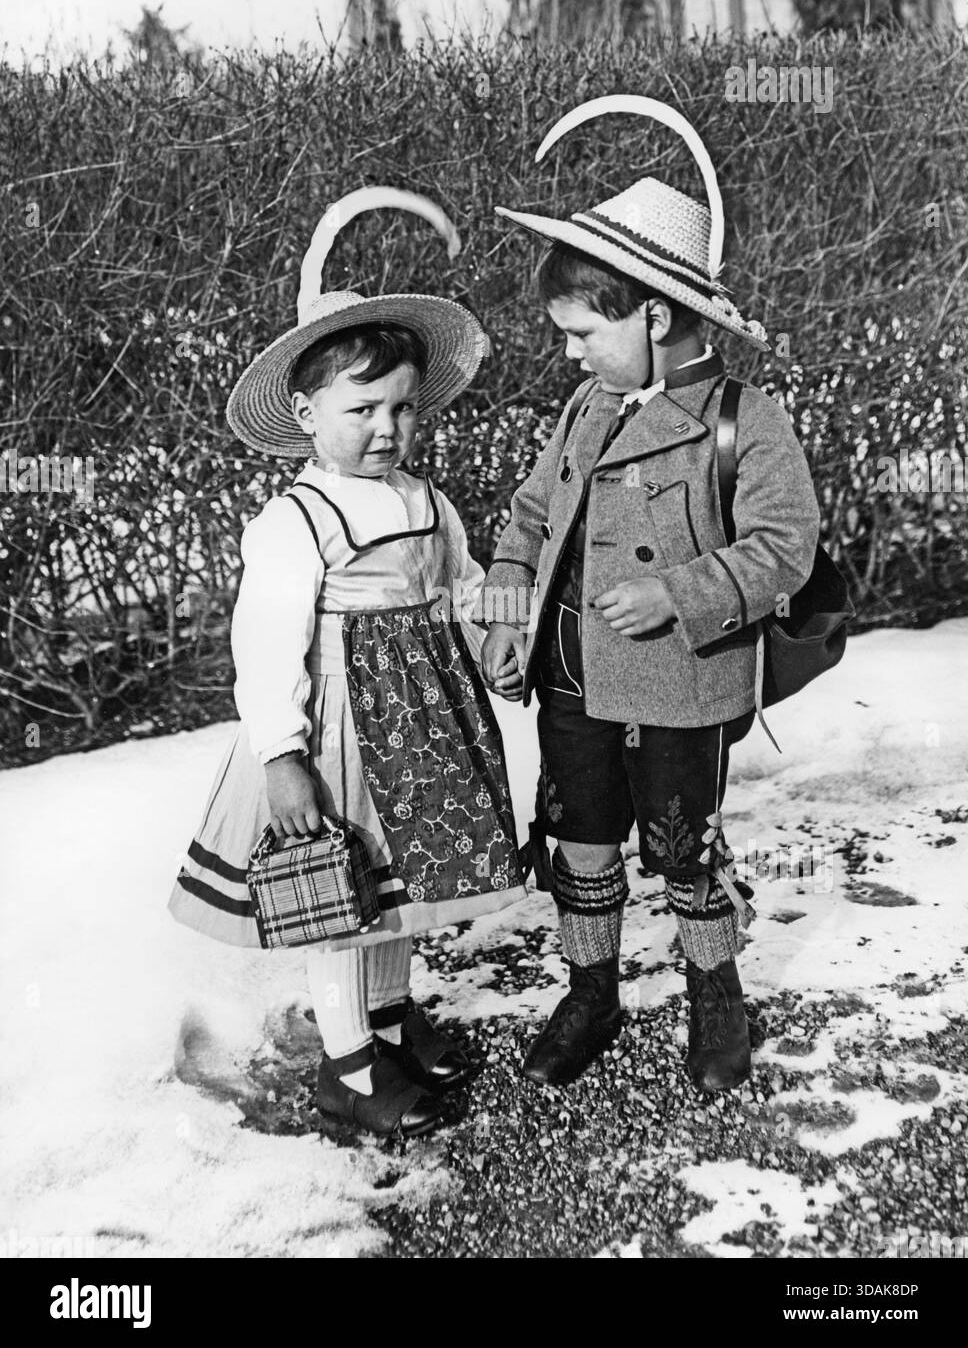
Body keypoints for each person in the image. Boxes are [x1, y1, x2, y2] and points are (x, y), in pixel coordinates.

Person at [170, 191, 527, 1139]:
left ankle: (386, 1019)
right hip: (338, 733)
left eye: (404, 409)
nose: (386, 429)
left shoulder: (425, 500)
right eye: (361, 408)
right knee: (342, 898)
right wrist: (283, 754)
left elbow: (468, 580)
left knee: (400, 892)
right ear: (306, 411)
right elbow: (264, 644)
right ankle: (349, 1068)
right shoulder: (298, 520)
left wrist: (501, 620)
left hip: (425, 723)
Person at [481, 99, 821, 1093]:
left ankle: (715, 992)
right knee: (580, 841)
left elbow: (782, 548)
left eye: (585, 332)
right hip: (574, 684)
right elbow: (530, 517)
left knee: (684, 849)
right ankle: (590, 989)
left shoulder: (742, 422)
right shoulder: (583, 411)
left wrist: (679, 592)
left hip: (678, 690)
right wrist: (508, 594)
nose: (571, 353)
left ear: (654, 317)